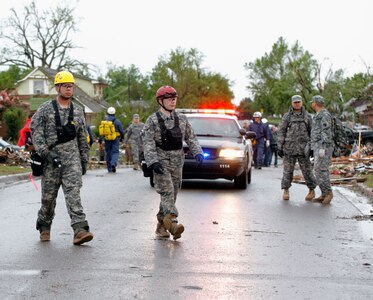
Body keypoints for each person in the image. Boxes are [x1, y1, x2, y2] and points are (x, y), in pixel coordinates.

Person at [30, 70, 93, 245]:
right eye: (65, 86)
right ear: (57, 87)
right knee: (48, 200)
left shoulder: (79, 111)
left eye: (71, 86)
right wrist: (46, 154)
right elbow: (36, 133)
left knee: (74, 195)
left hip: (71, 162)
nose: (68, 89)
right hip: (51, 162)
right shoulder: (45, 109)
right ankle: (44, 225)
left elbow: (83, 138)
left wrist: (83, 160)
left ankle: (80, 229)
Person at [142, 86, 204, 240]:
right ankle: (173, 223)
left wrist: (198, 152)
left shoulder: (182, 119)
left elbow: (191, 137)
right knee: (167, 191)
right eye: (169, 98)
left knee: (173, 193)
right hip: (161, 163)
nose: (173, 101)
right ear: (160, 101)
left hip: (178, 162)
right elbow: (148, 142)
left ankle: (162, 225)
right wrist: (153, 162)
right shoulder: (153, 120)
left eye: (174, 98)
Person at [277, 95, 316, 201]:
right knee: (287, 172)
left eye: (298, 102)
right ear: (292, 103)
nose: (297, 104)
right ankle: (286, 190)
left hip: (304, 150)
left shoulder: (307, 116)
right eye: (295, 102)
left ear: (302, 103)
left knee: (307, 171)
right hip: (289, 149)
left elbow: (312, 132)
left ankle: (311, 190)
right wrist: (280, 146)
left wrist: (312, 147)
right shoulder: (287, 117)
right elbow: (281, 131)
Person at [310, 95, 334, 204]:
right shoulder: (318, 115)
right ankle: (324, 193)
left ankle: (328, 193)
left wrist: (323, 148)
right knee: (318, 170)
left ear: (315, 103)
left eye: (312, 102)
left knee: (322, 170)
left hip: (323, 147)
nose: (311, 104)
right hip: (317, 146)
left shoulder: (324, 115)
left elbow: (326, 132)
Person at [103, 107, 125, 173]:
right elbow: (121, 131)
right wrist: (122, 138)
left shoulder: (105, 121)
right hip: (115, 139)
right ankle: (113, 163)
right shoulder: (117, 121)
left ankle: (109, 168)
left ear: (107, 113)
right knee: (115, 152)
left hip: (107, 139)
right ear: (114, 113)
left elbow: (102, 131)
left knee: (108, 152)